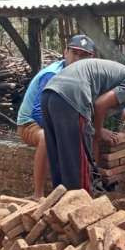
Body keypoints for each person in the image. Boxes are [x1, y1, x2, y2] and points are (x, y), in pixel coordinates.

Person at [40, 58, 125, 192]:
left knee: (59, 160)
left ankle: (58, 204)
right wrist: (98, 131)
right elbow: (100, 104)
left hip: (50, 93)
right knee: (76, 165)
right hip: (71, 96)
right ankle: (78, 206)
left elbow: (102, 105)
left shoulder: (120, 74)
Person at [16, 35, 96, 197]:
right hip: (30, 124)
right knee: (47, 139)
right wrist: (62, 134)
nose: (77, 59)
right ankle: (38, 194)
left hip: (56, 123)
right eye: (75, 53)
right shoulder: (52, 75)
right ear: (65, 52)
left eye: (83, 56)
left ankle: (85, 187)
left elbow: (106, 96)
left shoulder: (87, 76)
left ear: (91, 59)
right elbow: (39, 112)